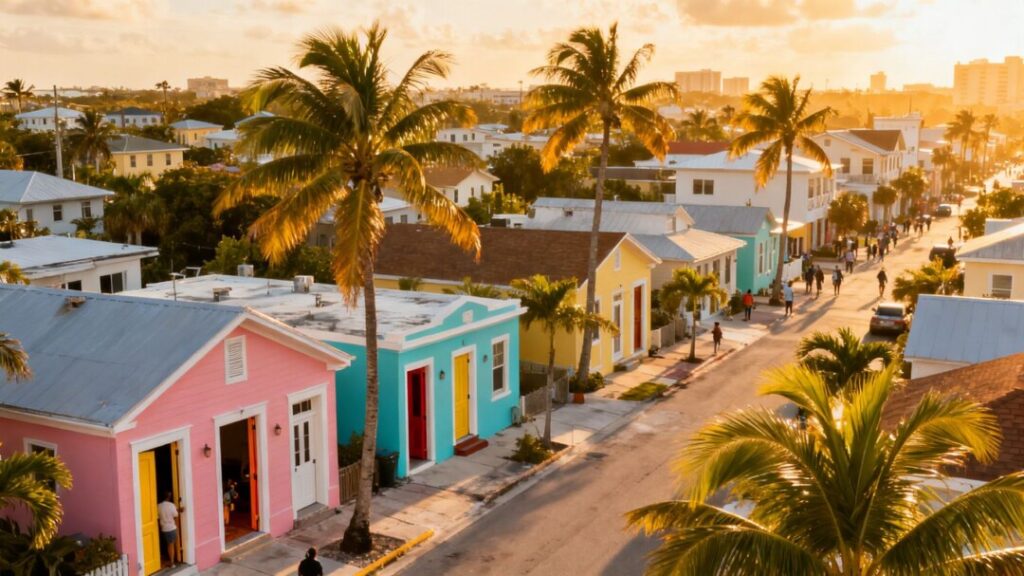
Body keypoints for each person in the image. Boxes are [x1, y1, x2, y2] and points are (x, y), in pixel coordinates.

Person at [158, 492, 180, 567]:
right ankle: (172, 562)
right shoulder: (171, 505)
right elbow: (176, 515)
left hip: (163, 529)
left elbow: (157, 517)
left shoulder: (158, 506)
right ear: (169, 497)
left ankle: (170, 560)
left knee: (167, 545)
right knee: (171, 546)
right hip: (171, 528)